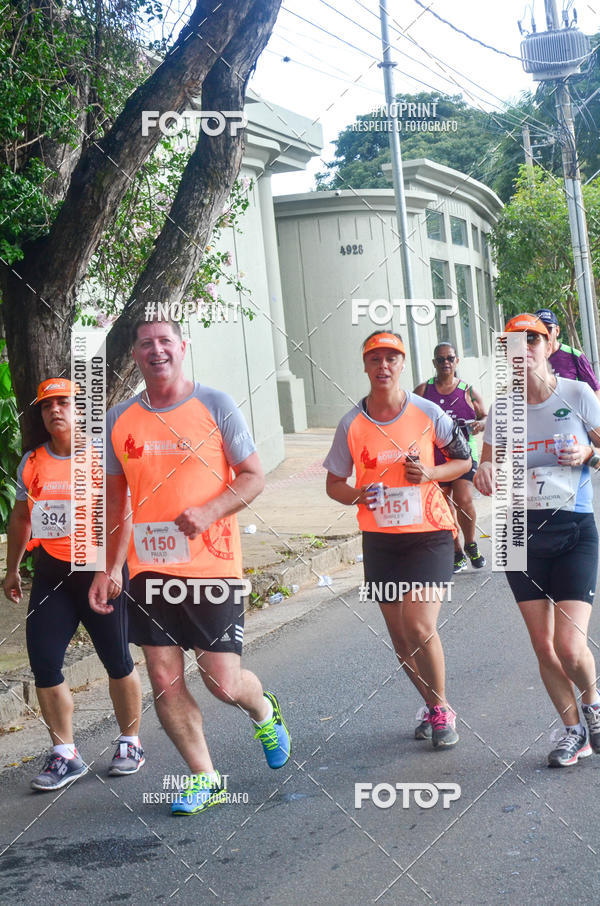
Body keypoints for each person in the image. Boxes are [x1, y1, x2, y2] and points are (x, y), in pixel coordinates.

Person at [89, 318, 291, 816]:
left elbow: (253, 477)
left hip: (212, 567)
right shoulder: (119, 418)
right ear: (134, 354)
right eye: (145, 344)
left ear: (182, 347)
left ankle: (264, 711)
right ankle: (205, 777)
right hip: (151, 568)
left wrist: (209, 511)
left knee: (222, 681)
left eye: (165, 342)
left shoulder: (216, 404)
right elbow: (118, 506)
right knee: (162, 676)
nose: (156, 351)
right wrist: (107, 566)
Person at [324, 331, 472, 747]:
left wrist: (430, 474)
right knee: (401, 640)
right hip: (381, 540)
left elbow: (463, 460)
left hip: (429, 534)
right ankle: (431, 702)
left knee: (420, 624)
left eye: (391, 358)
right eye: (376, 359)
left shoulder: (427, 412)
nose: (383, 366)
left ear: (402, 364)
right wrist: (357, 494)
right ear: (366, 365)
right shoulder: (352, 423)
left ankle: (441, 711)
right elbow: (334, 483)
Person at [2, 378, 144, 791]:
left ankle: (130, 742)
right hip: (51, 574)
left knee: (117, 659)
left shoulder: (103, 457)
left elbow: (123, 515)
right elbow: (20, 517)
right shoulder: (32, 461)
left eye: (63, 402)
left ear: (79, 409)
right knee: (45, 663)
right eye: (47, 406)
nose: (55, 411)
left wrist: (115, 569)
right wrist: (12, 569)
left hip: (101, 569)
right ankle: (65, 754)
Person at [475, 313, 600, 767]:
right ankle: (573, 733)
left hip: (573, 526)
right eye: (514, 340)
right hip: (516, 531)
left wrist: (588, 452)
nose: (524, 346)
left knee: (570, 645)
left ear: (550, 345)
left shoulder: (577, 394)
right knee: (543, 646)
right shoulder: (501, 409)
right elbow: (486, 469)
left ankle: (593, 703)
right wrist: (484, 472)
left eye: (534, 338)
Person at [415, 342, 487, 572]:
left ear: (457, 361)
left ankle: (471, 543)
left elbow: (486, 417)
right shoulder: (424, 391)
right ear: (434, 363)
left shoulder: (467, 390)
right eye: (440, 359)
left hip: (463, 455)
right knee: (443, 506)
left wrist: (479, 424)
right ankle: (456, 551)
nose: (445, 363)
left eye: (450, 358)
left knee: (464, 499)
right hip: (435, 458)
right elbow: (409, 418)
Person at [534, 308, 600, 399]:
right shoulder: (529, 359)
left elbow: (595, 390)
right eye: (540, 329)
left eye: (548, 328)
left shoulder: (575, 356)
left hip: (571, 412)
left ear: (557, 331)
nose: (544, 333)